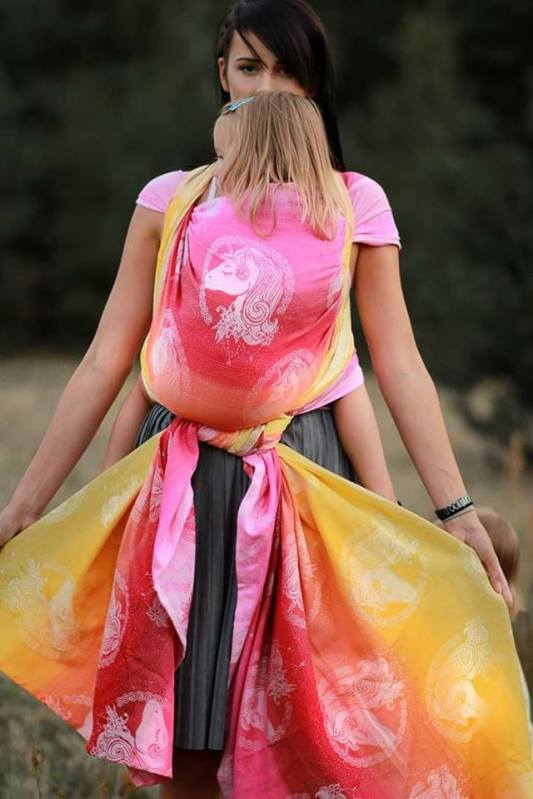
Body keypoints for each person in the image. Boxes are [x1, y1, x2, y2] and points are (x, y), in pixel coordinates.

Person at [0, 2, 531, 798]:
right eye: (250, 68)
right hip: (179, 477)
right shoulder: (171, 199)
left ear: (313, 88)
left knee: (310, 734)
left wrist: (454, 507)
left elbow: (398, 362)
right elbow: (106, 357)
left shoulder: (353, 200)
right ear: (223, 77)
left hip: (303, 467)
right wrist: (25, 505)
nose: (268, 88)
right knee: (189, 737)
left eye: (288, 71)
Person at [101, 107, 397, 505]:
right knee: (345, 376)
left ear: (262, 157)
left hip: (276, 433)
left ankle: (105, 501)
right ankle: (384, 503)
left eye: (224, 158)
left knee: (343, 373)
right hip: (190, 418)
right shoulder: (326, 219)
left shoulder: (221, 219)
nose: (215, 170)